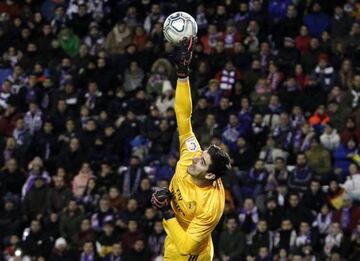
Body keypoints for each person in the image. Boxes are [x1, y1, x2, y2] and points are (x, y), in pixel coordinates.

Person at [151, 37, 231, 261]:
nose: (196, 158)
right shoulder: (192, 155)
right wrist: (183, 74)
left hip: (192, 253)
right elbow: (183, 116)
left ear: (211, 175)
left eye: (202, 162)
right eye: (201, 155)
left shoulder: (211, 206)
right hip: (174, 237)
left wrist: (166, 210)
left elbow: (187, 247)